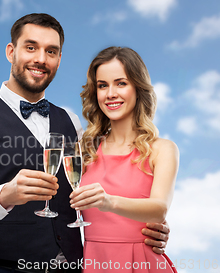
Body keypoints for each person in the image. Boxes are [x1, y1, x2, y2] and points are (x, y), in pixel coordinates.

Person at [0, 13, 169, 273]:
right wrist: (4, 196)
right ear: (11, 51)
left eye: (51, 51)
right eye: (30, 47)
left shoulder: (71, 121)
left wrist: (148, 229)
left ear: (59, 59)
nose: (41, 59)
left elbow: (105, 187)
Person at [70, 46, 179, 272]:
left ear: (138, 88)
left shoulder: (162, 149)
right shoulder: (84, 151)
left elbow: (159, 208)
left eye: (121, 83)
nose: (110, 93)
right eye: (102, 85)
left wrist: (108, 202)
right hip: (94, 263)